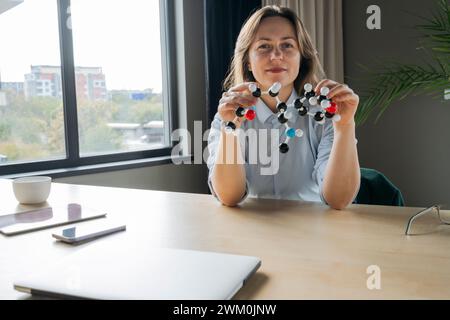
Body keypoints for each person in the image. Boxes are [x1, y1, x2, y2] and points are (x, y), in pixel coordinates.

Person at [207, 5, 360, 209]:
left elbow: (339, 199)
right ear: (248, 62)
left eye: (287, 45)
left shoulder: (324, 115)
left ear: (301, 58)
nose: (276, 55)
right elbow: (229, 196)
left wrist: (345, 126)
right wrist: (230, 129)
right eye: (264, 46)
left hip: (313, 233)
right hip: (249, 232)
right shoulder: (227, 116)